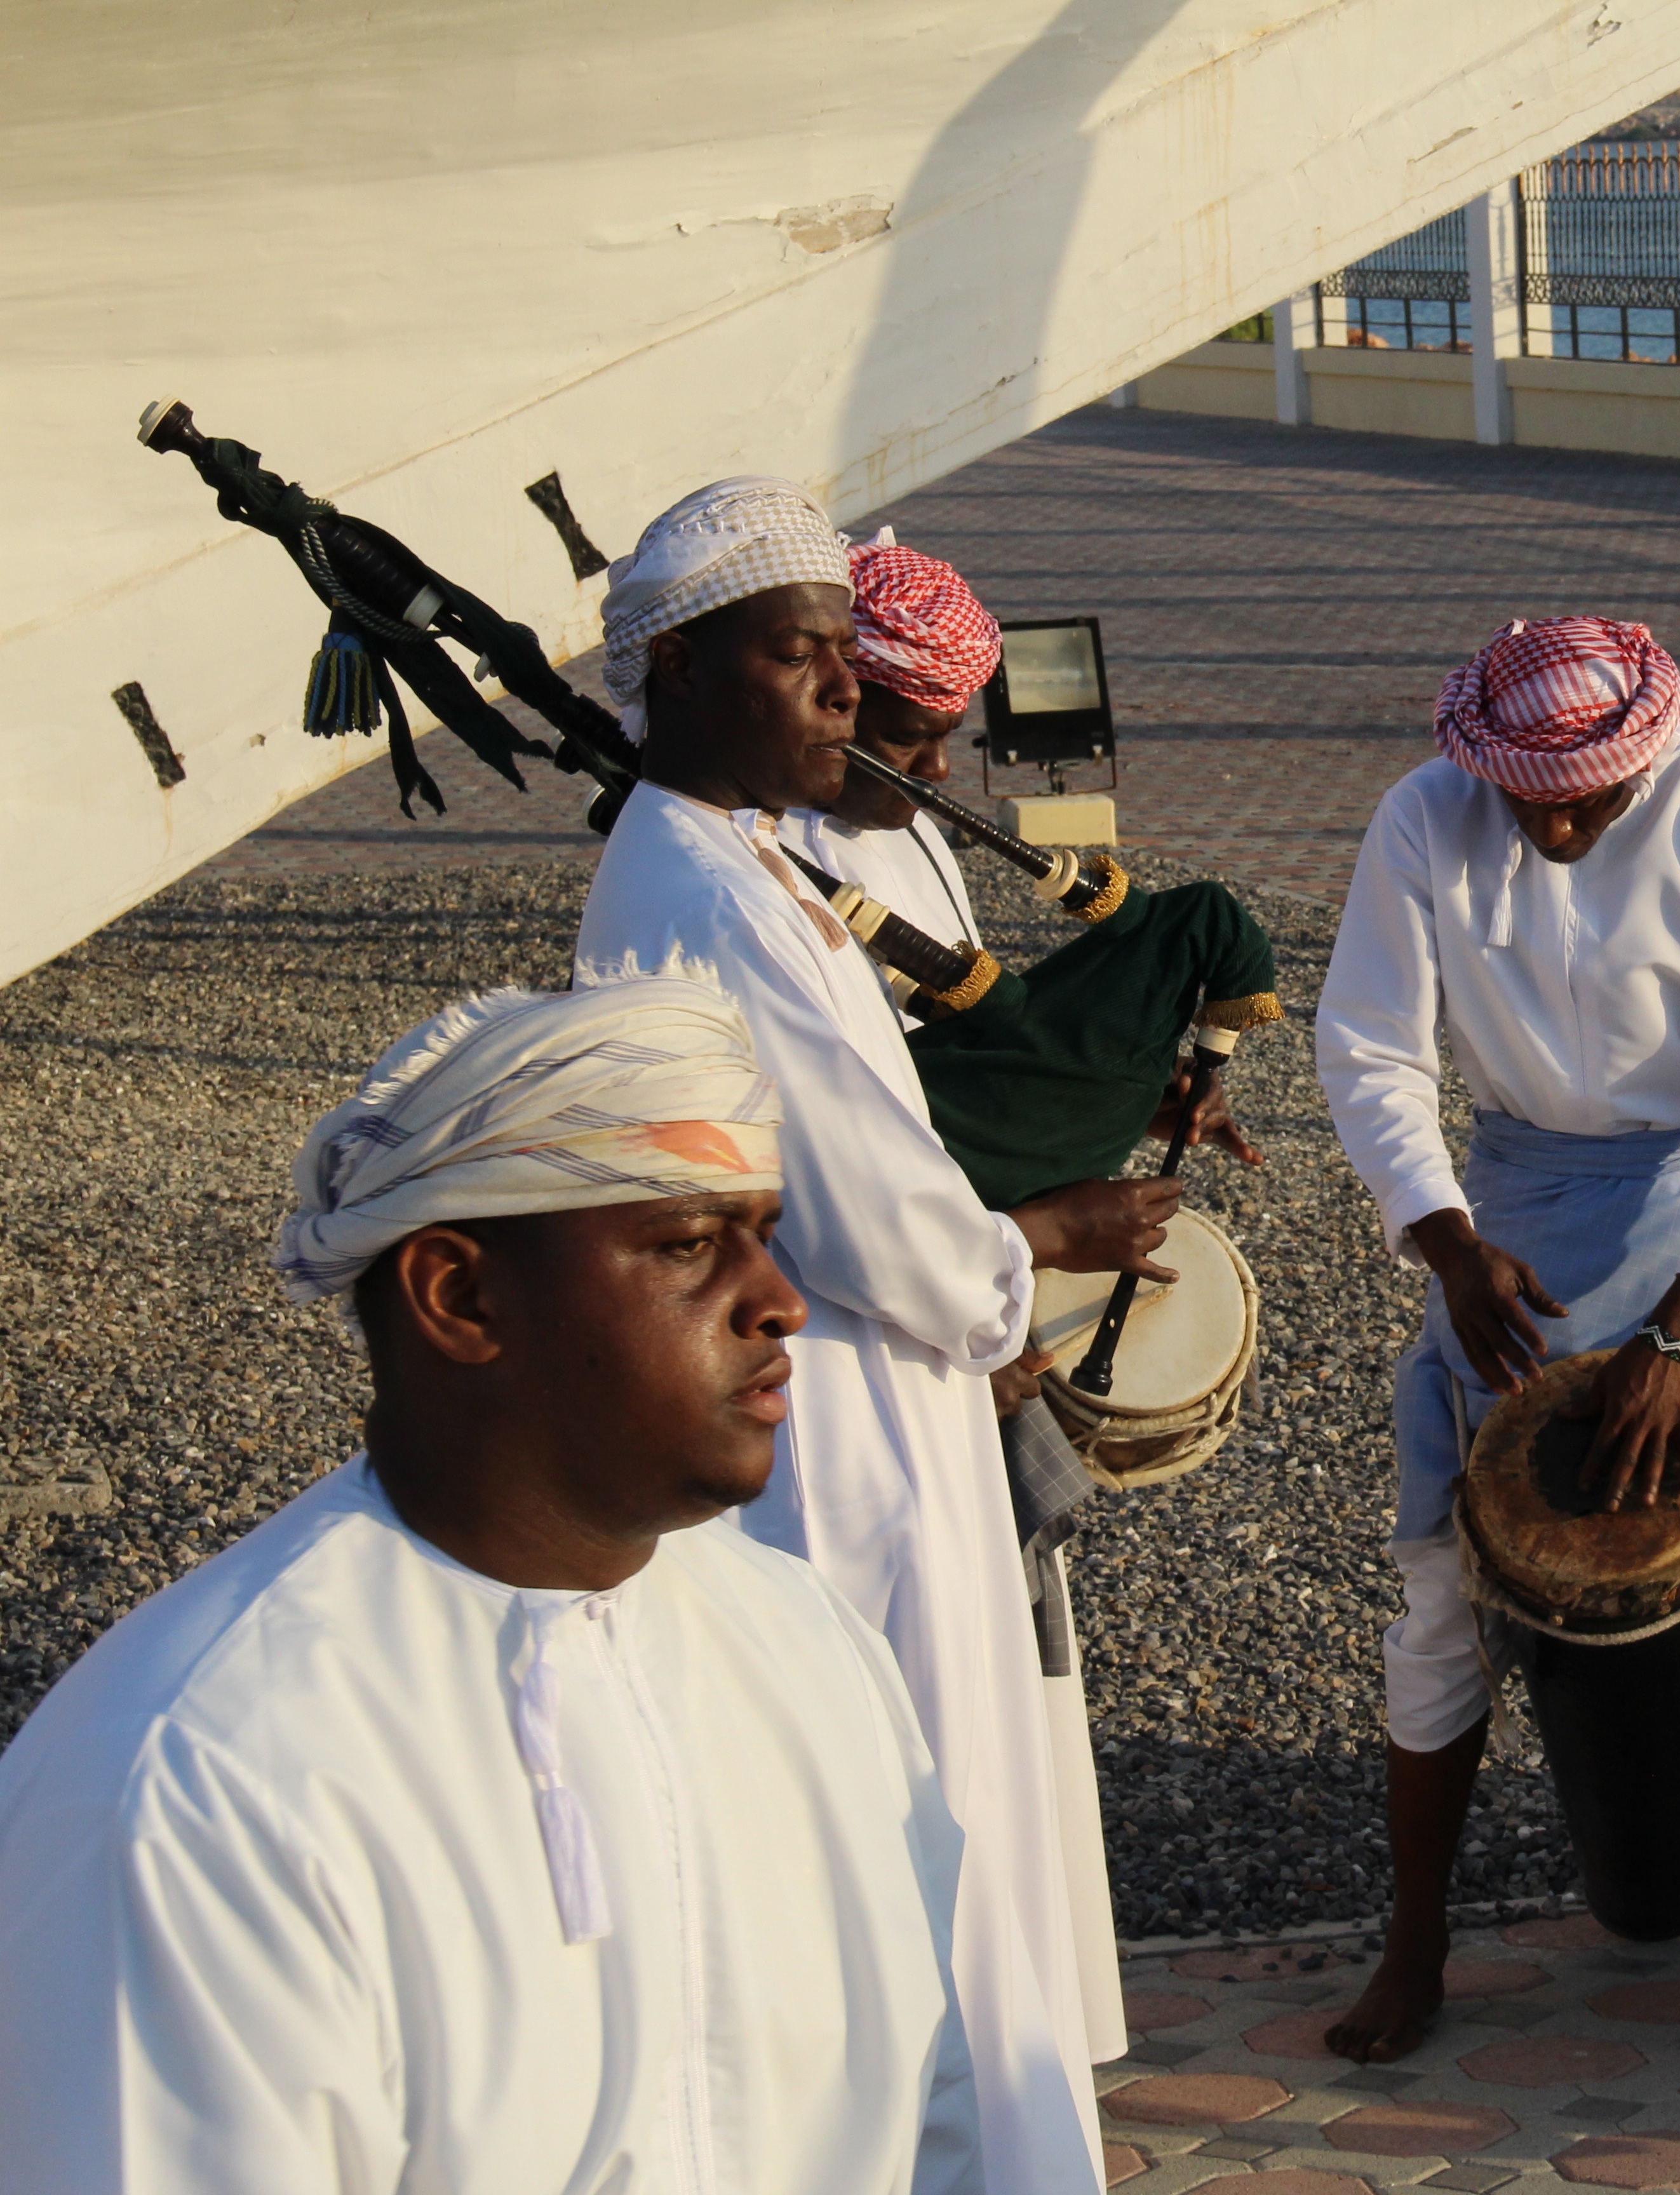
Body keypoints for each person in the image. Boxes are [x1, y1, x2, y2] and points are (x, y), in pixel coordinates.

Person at [0, 965, 981, 2193]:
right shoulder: (203, 1775)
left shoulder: (810, 1650)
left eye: (764, 1236)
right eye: (687, 1243)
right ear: (459, 1296)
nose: (779, 1301)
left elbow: (941, 2122)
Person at [575, 478, 1166, 2192]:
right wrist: (1042, 1243)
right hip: (831, 1443)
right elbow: (856, 1206)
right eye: (798, 655)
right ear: (683, 674)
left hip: (877, 1413)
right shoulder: (701, 886)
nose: (844, 688)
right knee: (908, 1869)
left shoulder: (747, 852)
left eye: (847, 653)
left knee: (948, 1858)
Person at [1313, 615, 1680, 2061]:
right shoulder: (1429, 813)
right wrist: (1440, 1237)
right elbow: (1368, 1042)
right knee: (1439, 1606)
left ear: (1642, 760)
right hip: (1498, 1263)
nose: (1550, 818)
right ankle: (1415, 1943)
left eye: (1582, 797)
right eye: (1523, 793)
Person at [779, 528, 1005, 1006]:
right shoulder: (758, 856)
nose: (939, 770)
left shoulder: (916, 832)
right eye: (907, 739)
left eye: (946, 737)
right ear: (835, 705)